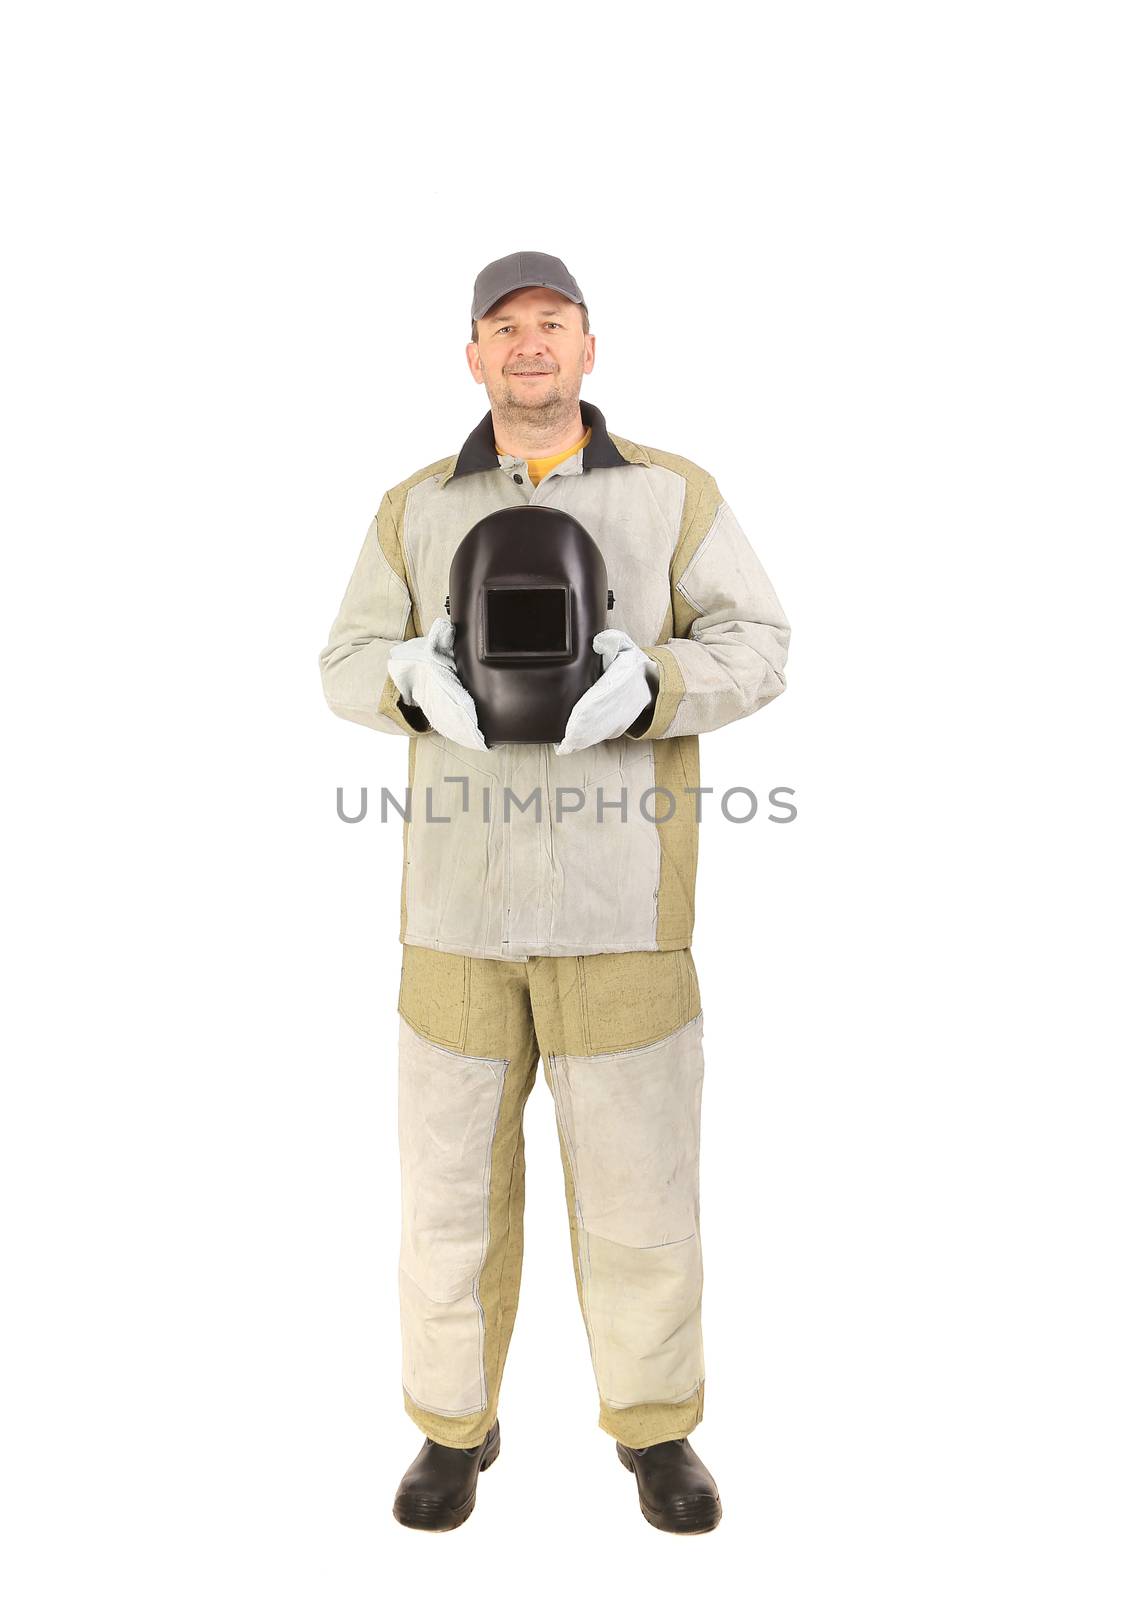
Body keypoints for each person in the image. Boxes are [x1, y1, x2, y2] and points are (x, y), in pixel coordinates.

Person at [319, 251, 790, 1534]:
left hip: (623, 911)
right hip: (455, 921)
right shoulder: (415, 509)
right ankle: (452, 1430)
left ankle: (657, 1429)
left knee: (641, 1192)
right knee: (449, 1196)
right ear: (470, 355)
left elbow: (759, 642)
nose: (530, 347)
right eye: (503, 328)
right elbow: (344, 657)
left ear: (590, 348)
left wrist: (660, 685)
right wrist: (408, 679)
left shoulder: (671, 496)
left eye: (553, 325)